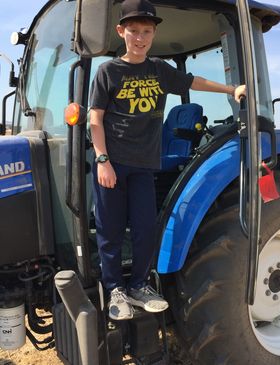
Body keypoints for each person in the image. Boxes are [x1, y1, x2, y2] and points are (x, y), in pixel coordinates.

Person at [90, 0, 246, 321]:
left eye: (146, 31)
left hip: (145, 166)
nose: (140, 37)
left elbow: (193, 82)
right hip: (114, 165)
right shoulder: (108, 72)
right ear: (122, 32)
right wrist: (102, 160)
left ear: (153, 33)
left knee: (146, 229)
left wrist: (231, 89)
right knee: (111, 231)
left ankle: (138, 286)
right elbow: (95, 119)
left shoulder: (159, 69)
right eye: (133, 31)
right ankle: (116, 290)